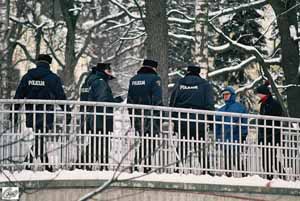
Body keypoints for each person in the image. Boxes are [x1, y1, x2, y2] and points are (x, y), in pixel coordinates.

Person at [13, 54, 70, 170]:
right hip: (46, 114)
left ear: (37, 63)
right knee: (41, 137)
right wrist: (67, 112)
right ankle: (37, 164)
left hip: (31, 114)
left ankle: (39, 163)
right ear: (49, 64)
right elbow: (61, 97)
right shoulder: (53, 78)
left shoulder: (27, 77)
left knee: (40, 137)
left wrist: (13, 113)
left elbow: (18, 96)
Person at [169, 64, 214, 168]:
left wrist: (174, 121)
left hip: (182, 120)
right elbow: (209, 105)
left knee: (182, 146)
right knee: (200, 146)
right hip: (199, 120)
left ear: (188, 71)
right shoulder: (204, 84)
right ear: (198, 72)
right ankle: (205, 170)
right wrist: (211, 124)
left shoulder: (180, 83)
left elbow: (173, 102)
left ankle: (178, 168)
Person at [83, 62, 121, 169]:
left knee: (95, 141)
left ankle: (86, 163)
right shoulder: (100, 82)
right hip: (102, 117)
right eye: (109, 70)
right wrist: (116, 101)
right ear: (104, 71)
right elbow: (103, 100)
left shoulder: (93, 81)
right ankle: (101, 165)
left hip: (95, 116)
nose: (111, 73)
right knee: (103, 142)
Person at [127, 59, 162, 171]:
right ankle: (145, 165)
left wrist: (132, 117)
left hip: (137, 114)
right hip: (150, 115)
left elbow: (129, 100)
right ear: (153, 68)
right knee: (150, 140)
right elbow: (157, 99)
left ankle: (138, 164)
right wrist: (161, 115)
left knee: (143, 139)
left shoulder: (133, 80)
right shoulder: (155, 79)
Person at [215, 86, 248, 174]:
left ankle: (245, 176)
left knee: (236, 159)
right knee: (227, 160)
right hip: (225, 138)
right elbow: (217, 125)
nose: (225, 96)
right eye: (224, 95)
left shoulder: (240, 108)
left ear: (232, 95)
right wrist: (217, 137)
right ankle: (228, 176)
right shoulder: (221, 110)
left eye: (227, 94)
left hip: (236, 138)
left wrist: (243, 135)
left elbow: (244, 122)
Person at [255, 81, 283, 179]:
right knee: (267, 159)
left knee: (270, 159)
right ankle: (272, 177)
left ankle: (279, 177)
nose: (258, 96)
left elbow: (275, 121)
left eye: (259, 94)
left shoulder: (273, 104)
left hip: (272, 136)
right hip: (266, 136)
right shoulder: (264, 104)